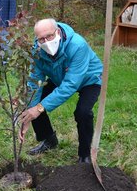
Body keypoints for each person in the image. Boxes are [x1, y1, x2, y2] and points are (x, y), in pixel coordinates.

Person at [19, 18, 103, 164]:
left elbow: (70, 85)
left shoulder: (77, 45)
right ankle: (49, 139)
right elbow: (34, 82)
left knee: (83, 112)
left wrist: (39, 109)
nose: (46, 42)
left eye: (49, 36)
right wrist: (30, 113)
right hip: (59, 75)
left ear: (57, 31)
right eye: (41, 39)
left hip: (89, 78)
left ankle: (85, 155)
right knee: (35, 104)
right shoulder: (37, 50)